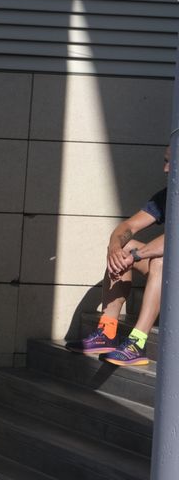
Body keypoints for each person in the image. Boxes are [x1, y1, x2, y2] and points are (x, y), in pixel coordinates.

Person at [75, 148, 168, 367]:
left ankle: (137, 343)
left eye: (172, 163)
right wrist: (115, 247)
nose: (165, 168)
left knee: (161, 261)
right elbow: (128, 226)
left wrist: (137, 256)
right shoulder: (168, 195)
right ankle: (107, 332)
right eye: (165, 161)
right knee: (125, 249)